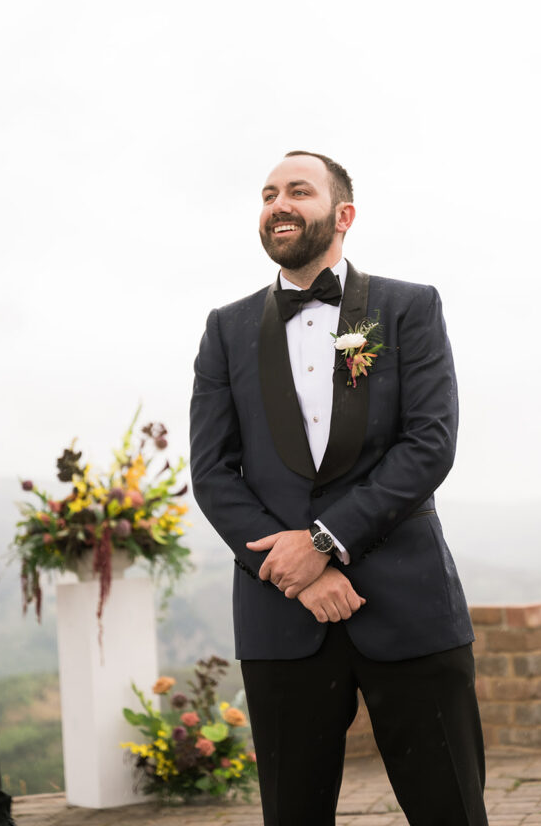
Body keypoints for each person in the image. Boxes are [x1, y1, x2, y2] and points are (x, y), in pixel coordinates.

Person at [190, 151, 488, 826]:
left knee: (451, 811)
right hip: (281, 616)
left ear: (342, 214)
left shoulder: (409, 307)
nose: (278, 204)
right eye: (267, 194)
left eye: (298, 190)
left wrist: (325, 542)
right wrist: (296, 573)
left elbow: (429, 444)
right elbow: (213, 471)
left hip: (409, 609)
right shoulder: (225, 329)